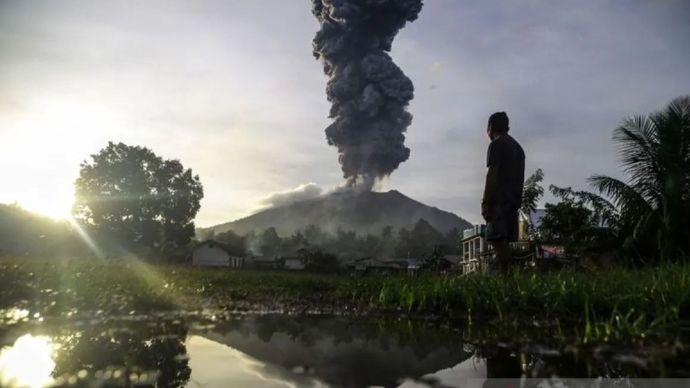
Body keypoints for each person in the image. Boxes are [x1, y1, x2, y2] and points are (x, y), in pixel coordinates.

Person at [481, 112, 525, 274]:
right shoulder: (518, 148)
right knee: (504, 240)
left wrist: (487, 202)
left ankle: (505, 278)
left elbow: (492, 173)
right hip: (513, 201)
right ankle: (506, 276)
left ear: (490, 127)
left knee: (497, 238)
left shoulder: (497, 144)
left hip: (498, 200)